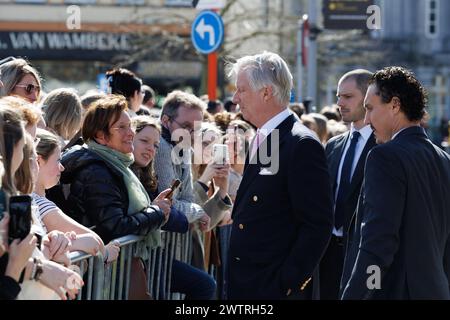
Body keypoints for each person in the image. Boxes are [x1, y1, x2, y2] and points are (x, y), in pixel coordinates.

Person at [226, 51, 333, 300]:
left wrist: (288, 282)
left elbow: (317, 224)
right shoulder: (267, 136)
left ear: (266, 92)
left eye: (242, 90)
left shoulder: (300, 143)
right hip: (249, 283)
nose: (235, 98)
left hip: (271, 288)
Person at [341, 67, 450, 300]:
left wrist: (356, 295)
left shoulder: (385, 157)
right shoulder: (443, 159)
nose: (367, 119)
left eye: (370, 108)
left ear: (395, 105)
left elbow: (378, 244)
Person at [130, 116, 216, 300]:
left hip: (150, 255)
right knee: (204, 285)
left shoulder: (147, 174)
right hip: (131, 258)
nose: (151, 149)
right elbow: (170, 208)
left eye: (155, 145)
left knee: (206, 284)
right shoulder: (125, 172)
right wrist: (161, 213)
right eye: (144, 141)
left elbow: (179, 206)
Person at [319, 69, 376, 300]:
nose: (339, 102)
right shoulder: (333, 145)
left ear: (367, 98)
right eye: (338, 96)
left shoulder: (384, 147)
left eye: (347, 96)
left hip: (362, 254)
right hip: (327, 252)